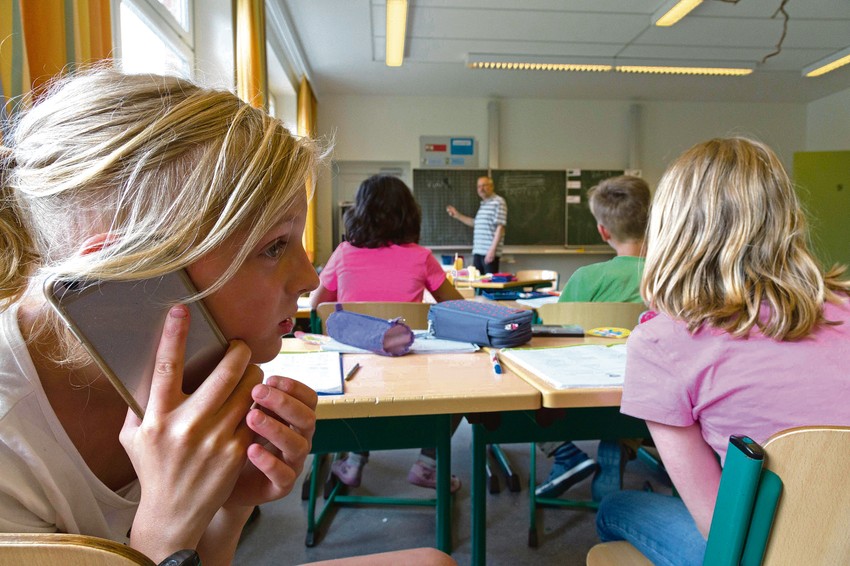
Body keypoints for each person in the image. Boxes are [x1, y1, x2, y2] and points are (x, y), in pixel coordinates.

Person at [0, 69, 454, 566]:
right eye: (275, 246)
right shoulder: (10, 452)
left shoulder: (165, 359)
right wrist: (164, 526)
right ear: (126, 275)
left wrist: (227, 502)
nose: (307, 277)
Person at [594, 137, 850, 566]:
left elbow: (721, 529)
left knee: (616, 507)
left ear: (671, 227)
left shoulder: (661, 343)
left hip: (765, 555)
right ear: (787, 218)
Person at [310, 174, 464, 492]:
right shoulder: (421, 257)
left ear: (359, 212)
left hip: (350, 378)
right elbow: (456, 308)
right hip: (410, 377)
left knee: (362, 364)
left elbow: (316, 306)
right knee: (464, 388)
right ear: (409, 214)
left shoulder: (343, 253)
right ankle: (427, 464)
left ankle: (353, 459)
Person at [536, 176, 650, 501]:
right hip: (647, 402)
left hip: (580, 399)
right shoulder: (673, 277)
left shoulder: (586, 278)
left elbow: (553, 339)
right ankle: (622, 444)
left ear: (603, 230)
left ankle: (563, 450)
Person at [445, 176, 507, 274]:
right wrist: (457, 215)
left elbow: (500, 227)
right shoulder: (483, 204)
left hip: (489, 253)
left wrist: (492, 251)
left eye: (484, 185)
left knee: (489, 286)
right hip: (478, 251)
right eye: (478, 186)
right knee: (477, 285)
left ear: (491, 186)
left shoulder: (498, 202)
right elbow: (475, 224)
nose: (481, 189)